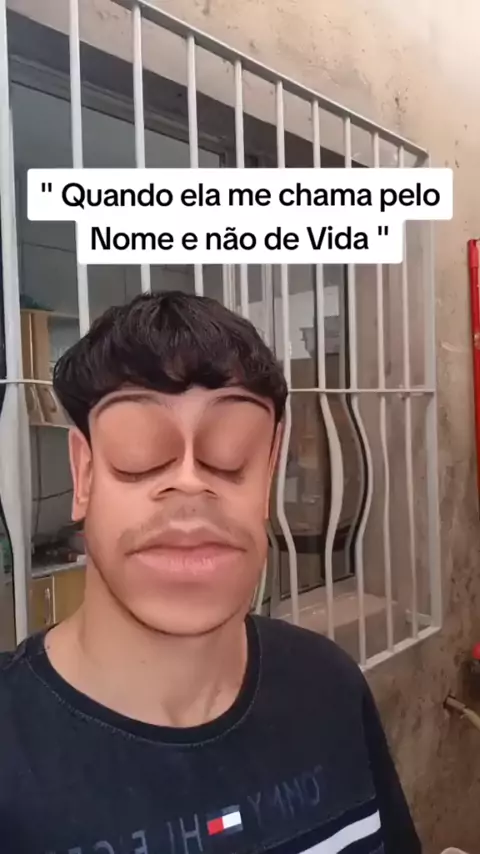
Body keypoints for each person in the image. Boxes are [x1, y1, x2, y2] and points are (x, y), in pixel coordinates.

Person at [0, 291, 421, 854]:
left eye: (229, 451)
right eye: (140, 449)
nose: (190, 483)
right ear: (84, 473)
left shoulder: (330, 686)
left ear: (267, 471)